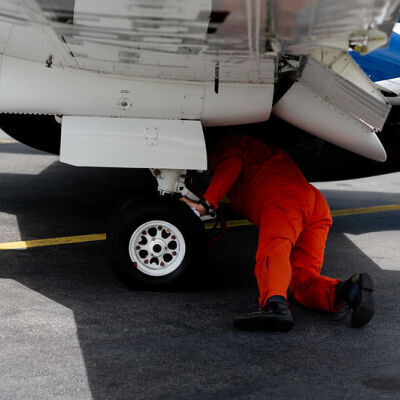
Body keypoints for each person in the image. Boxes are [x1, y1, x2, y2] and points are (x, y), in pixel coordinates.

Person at [181, 135, 375, 332]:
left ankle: (275, 306)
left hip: (284, 200)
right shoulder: (264, 151)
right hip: (316, 206)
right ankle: (345, 291)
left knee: (273, 251)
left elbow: (231, 162)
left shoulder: (230, 144)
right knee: (301, 280)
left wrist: (205, 203)